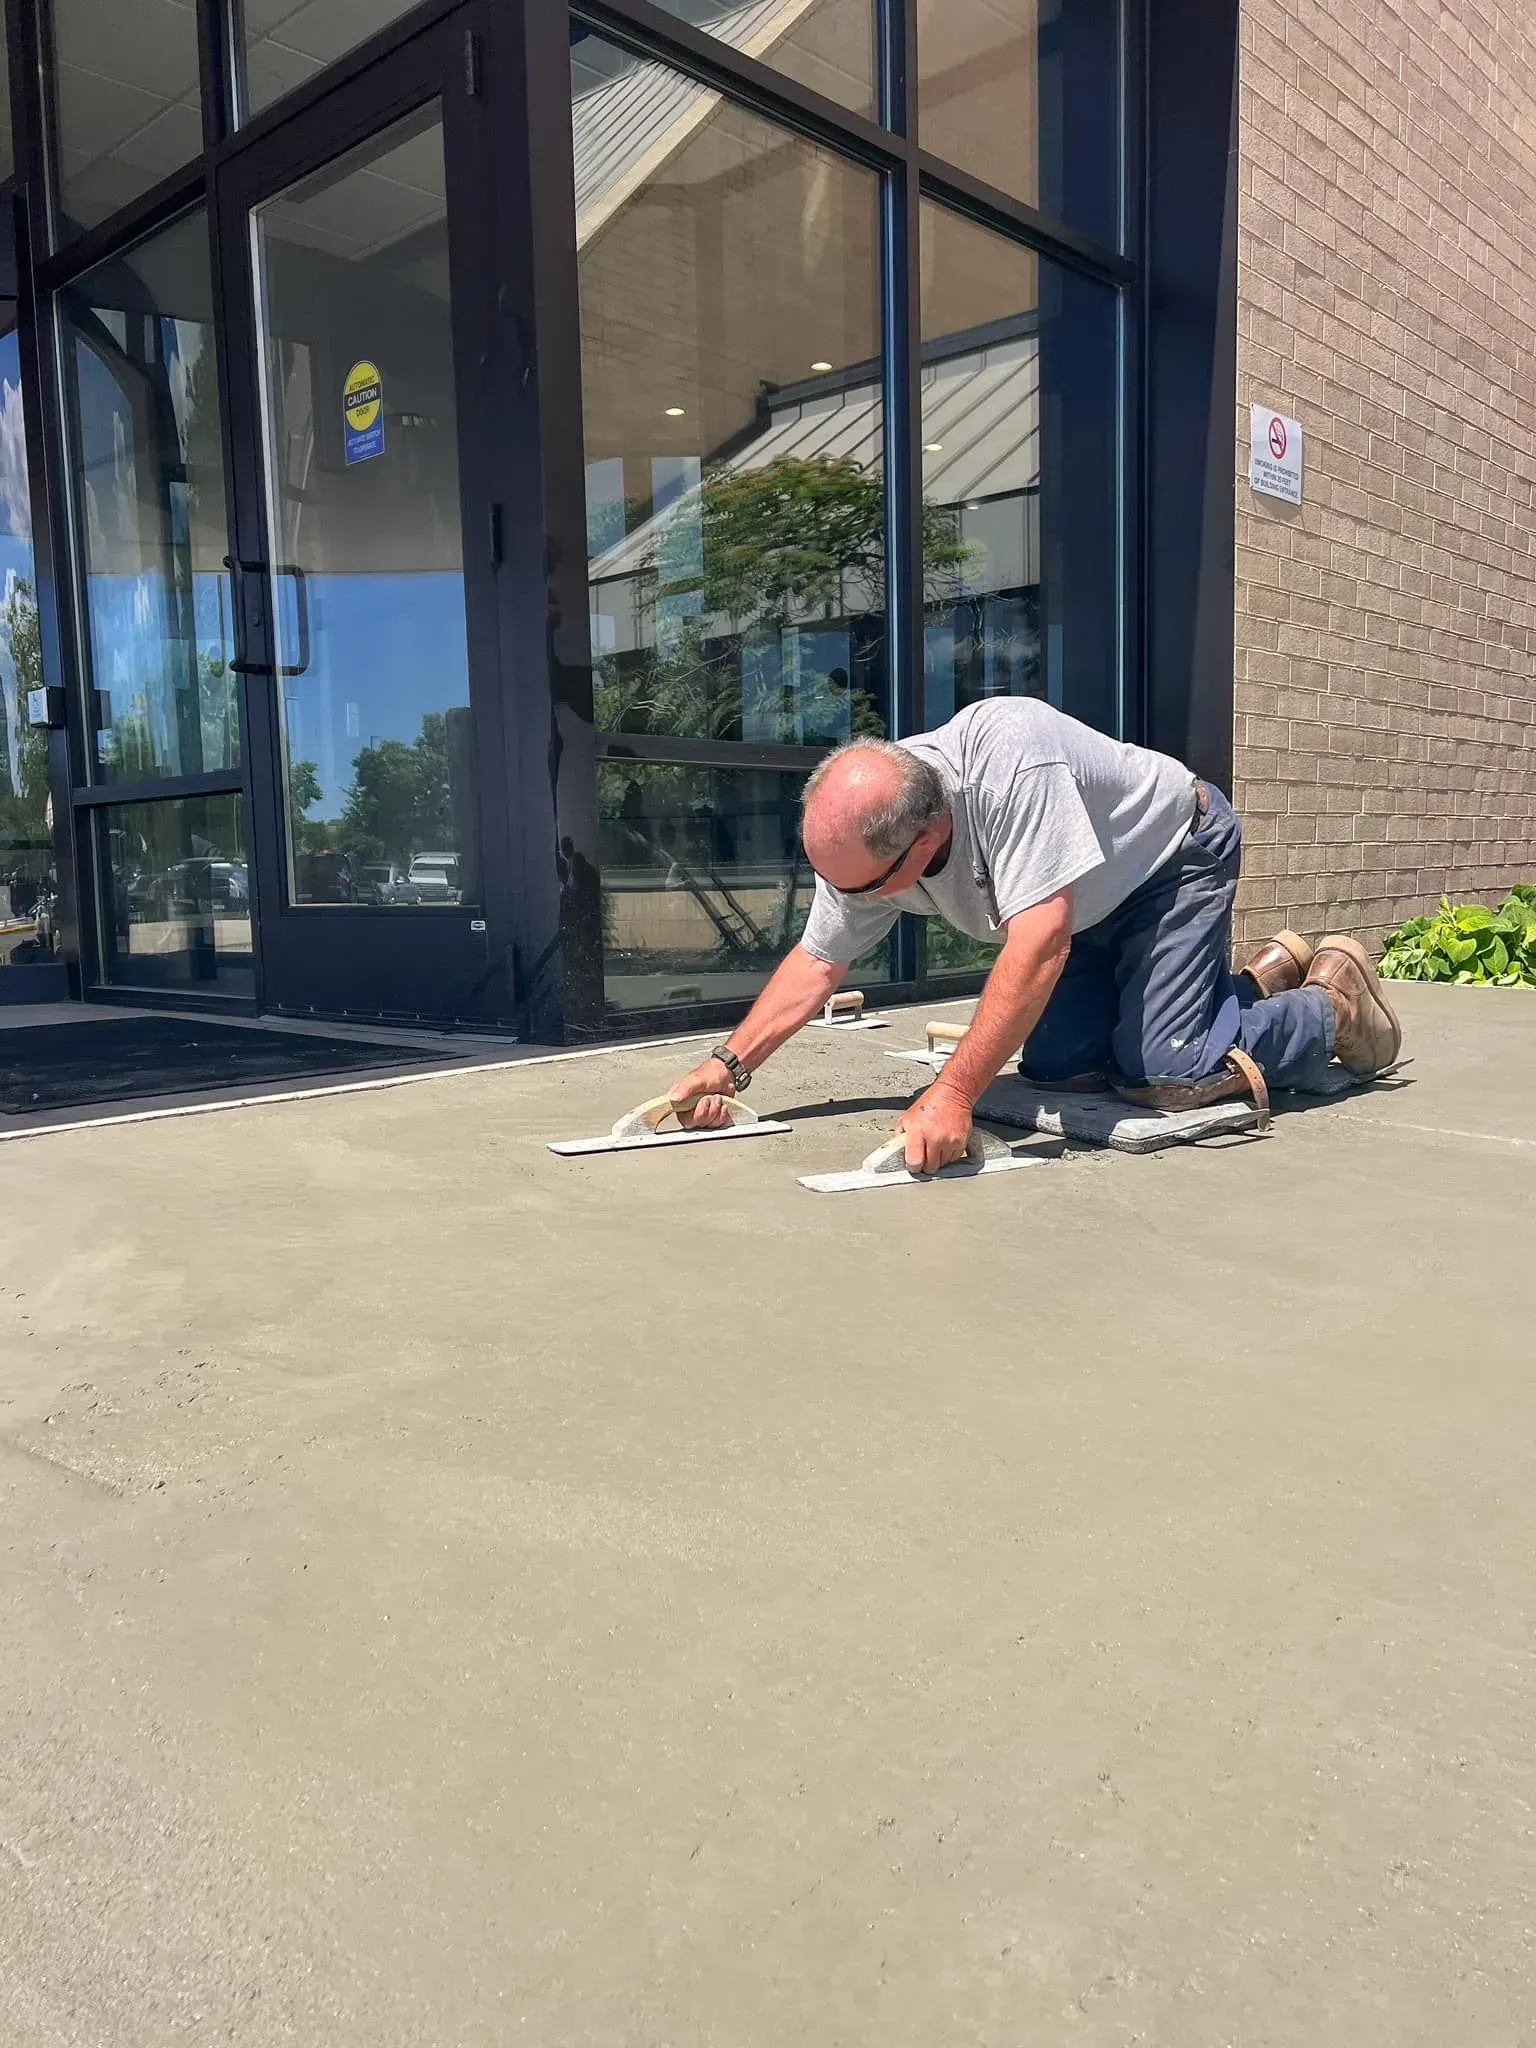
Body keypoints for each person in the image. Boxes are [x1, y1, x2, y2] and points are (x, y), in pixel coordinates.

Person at [667, 697, 1402, 1171]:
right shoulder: (873, 834)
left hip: (1173, 855)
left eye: (858, 887)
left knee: (1163, 1075)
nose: (844, 898)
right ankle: (1247, 986)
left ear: (925, 841)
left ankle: (1329, 1002)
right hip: (1085, 905)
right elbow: (819, 962)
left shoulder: (1009, 760)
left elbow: (1040, 945)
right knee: (1056, 1071)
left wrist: (953, 1093)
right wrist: (728, 1066)